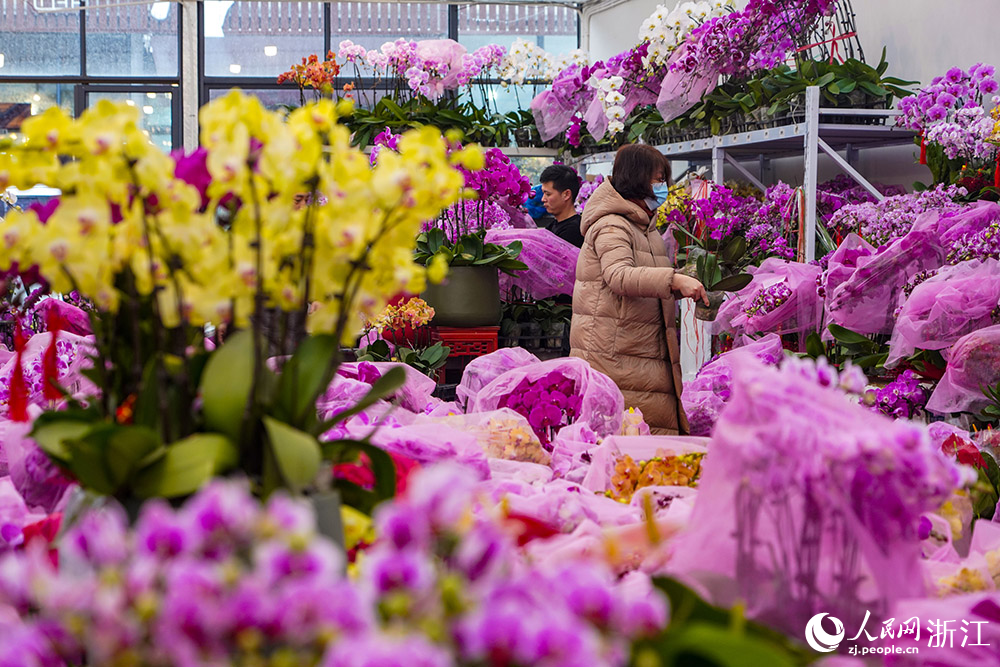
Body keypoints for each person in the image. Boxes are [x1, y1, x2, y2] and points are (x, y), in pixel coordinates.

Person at [570, 144, 708, 435]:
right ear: (637, 178)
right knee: (629, 442)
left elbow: (646, 275)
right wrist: (672, 280)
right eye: (657, 179)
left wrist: (683, 282)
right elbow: (619, 276)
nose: (663, 187)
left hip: (637, 348)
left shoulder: (643, 226)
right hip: (616, 353)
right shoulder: (612, 225)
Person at [540, 165, 584, 248]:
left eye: (548, 194)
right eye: (543, 193)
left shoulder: (573, 231)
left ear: (566, 195)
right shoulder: (553, 225)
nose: (543, 199)